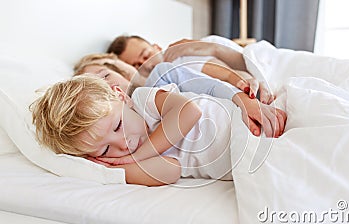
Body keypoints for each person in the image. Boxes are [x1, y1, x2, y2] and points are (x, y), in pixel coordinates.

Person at [31, 75, 286, 186]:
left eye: (118, 126)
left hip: (246, 125)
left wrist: (137, 156)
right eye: (106, 149)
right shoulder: (130, 159)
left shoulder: (144, 100)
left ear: (121, 96)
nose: (124, 144)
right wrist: (119, 166)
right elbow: (171, 171)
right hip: (246, 161)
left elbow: (189, 112)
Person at [74, 53, 273, 137]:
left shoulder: (162, 75)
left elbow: (217, 83)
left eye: (105, 76)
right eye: (95, 87)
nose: (106, 86)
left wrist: (245, 96)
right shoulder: (121, 130)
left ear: (121, 71)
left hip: (243, 112)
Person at [107, 35, 274, 104]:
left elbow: (228, 73)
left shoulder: (180, 58)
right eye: (137, 65)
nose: (147, 64)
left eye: (146, 55)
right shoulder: (150, 88)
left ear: (157, 47)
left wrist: (248, 82)